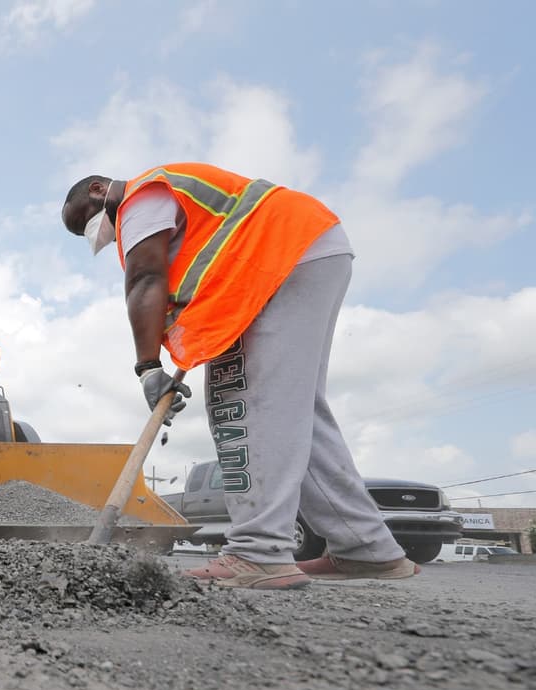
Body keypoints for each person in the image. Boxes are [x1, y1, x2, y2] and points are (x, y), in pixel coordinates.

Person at [62, 163, 419, 590]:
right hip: (306, 251)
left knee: (242, 400)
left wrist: (148, 366)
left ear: (100, 190)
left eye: (85, 219)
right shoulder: (178, 208)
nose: (94, 230)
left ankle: (258, 552)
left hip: (280, 261)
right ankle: (367, 549)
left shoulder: (143, 198)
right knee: (293, 408)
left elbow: (145, 278)